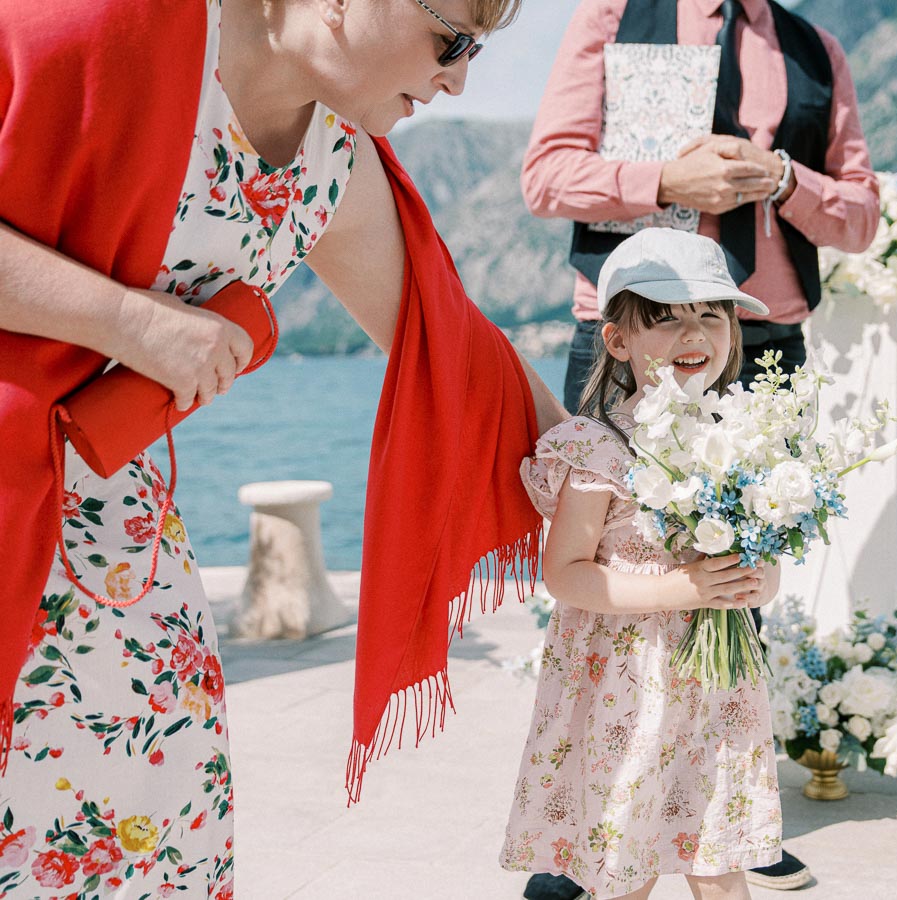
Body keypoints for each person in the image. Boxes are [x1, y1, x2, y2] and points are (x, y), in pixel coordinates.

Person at [0, 0, 564, 893]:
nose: (461, 76)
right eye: (453, 39)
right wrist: (126, 322)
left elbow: (451, 345)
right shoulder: (92, 24)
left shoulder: (333, 157)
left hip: (117, 534)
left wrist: (608, 470)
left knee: (158, 835)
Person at [522, 2, 878, 892]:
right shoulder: (614, 15)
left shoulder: (813, 50)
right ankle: (595, 826)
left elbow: (862, 217)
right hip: (630, 327)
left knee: (742, 559)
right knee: (619, 546)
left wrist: (783, 179)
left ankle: (718, 810)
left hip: (763, 340)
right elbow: (546, 176)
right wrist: (666, 183)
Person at [500, 228, 784, 900]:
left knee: (718, 855)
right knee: (626, 860)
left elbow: (767, 570)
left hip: (718, 688)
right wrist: (682, 585)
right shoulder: (599, 449)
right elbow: (565, 572)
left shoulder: (743, 439)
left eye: (710, 314)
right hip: (628, 687)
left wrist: (754, 582)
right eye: (665, 318)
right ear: (619, 341)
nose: (694, 332)